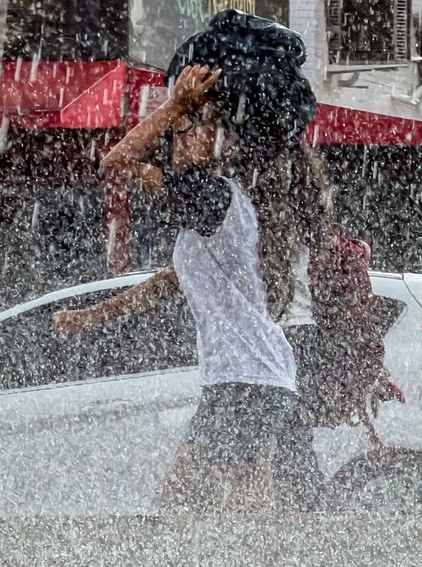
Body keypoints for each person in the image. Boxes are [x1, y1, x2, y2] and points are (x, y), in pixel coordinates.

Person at [52, 60, 324, 512]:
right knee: (235, 504)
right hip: (255, 378)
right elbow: (168, 283)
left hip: (247, 380)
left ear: (217, 140)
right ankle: (264, 557)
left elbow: (115, 162)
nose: (176, 140)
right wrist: (90, 316)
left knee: (195, 503)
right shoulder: (211, 208)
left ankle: (244, 559)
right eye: (176, 133)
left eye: (186, 131)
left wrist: (176, 106)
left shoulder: (211, 197)